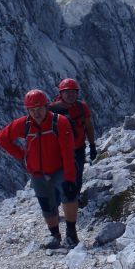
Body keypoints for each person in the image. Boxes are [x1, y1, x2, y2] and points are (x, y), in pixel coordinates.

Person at [0, 89, 80, 249]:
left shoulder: (60, 122)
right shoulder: (24, 124)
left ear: (46, 106)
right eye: (32, 110)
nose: (36, 113)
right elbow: (2, 138)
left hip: (59, 169)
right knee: (46, 203)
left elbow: (68, 152)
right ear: (27, 111)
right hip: (37, 172)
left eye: (39, 109)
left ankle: (71, 233)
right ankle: (54, 235)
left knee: (69, 195)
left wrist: (70, 177)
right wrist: (22, 155)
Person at [49, 78, 97, 207]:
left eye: (73, 92)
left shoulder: (82, 107)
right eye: (67, 92)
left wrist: (92, 145)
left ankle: (74, 197)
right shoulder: (53, 110)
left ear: (77, 93)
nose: (70, 95)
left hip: (78, 148)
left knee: (77, 174)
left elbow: (88, 126)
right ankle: (56, 204)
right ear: (61, 94)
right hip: (60, 151)